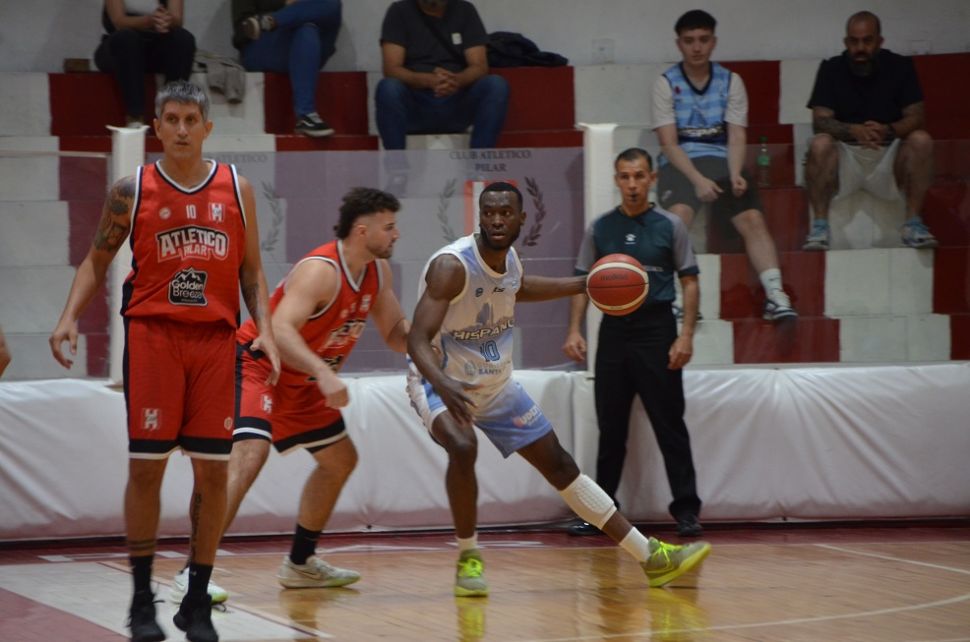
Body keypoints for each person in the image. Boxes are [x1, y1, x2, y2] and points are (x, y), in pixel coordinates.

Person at [49, 80, 281, 642]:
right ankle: (140, 601)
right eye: (171, 119)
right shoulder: (133, 189)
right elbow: (96, 259)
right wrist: (68, 316)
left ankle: (196, 600)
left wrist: (268, 332)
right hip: (154, 338)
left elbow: (251, 269)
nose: (180, 129)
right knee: (147, 468)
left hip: (215, 341)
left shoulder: (237, 188)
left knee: (213, 472)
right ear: (157, 127)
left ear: (207, 127)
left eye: (190, 120)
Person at [407, 181, 711, 597]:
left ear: (521, 219)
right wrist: (443, 383)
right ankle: (468, 557)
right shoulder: (452, 266)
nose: (496, 220)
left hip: (494, 384)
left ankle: (651, 557)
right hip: (439, 380)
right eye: (489, 212)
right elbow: (416, 339)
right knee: (462, 447)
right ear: (480, 216)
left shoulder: (509, 260)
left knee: (561, 466)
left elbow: (519, 287)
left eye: (505, 213)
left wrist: (584, 284)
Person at [168, 187, 409, 603]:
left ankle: (300, 564)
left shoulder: (378, 273)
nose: (396, 234)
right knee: (250, 454)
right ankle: (193, 572)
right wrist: (323, 371)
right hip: (259, 364)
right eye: (388, 227)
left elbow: (395, 334)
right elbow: (279, 329)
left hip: (301, 381)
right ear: (361, 230)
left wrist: (438, 335)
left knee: (340, 460)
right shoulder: (321, 271)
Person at [563, 148, 704, 539]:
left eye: (639, 176)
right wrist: (574, 330)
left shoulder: (670, 226)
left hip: (658, 330)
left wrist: (685, 336)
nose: (632, 184)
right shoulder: (600, 228)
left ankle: (687, 511)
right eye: (625, 176)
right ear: (616, 180)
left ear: (652, 179)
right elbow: (581, 282)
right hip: (614, 332)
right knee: (610, 427)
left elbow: (690, 282)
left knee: (669, 424)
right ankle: (601, 513)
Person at [653, 9, 796, 322]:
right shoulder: (666, 83)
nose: (697, 47)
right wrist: (697, 180)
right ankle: (677, 299)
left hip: (722, 161)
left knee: (753, 218)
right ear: (679, 44)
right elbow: (669, 143)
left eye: (703, 39)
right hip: (682, 164)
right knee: (677, 218)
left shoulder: (731, 81)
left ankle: (775, 296)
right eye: (689, 40)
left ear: (713, 42)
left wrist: (734, 174)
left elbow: (736, 135)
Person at [802, 11, 937, 250]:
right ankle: (820, 227)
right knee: (820, 143)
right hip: (846, 157)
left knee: (922, 140)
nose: (860, 48)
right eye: (854, 41)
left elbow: (917, 117)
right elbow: (820, 121)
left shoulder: (901, 66)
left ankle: (913, 224)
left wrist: (889, 130)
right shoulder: (831, 68)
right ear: (846, 42)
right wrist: (852, 131)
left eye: (867, 40)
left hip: (889, 155)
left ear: (880, 41)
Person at [375, 0, 510, 150]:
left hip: (457, 101)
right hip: (415, 104)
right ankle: (396, 164)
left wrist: (456, 81)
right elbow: (391, 69)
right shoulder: (399, 11)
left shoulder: (465, 10)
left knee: (496, 85)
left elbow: (479, 66)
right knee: (388, 88)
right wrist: (428, 80)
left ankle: (480, 162)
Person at [231, 0, 343, 137]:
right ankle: (306, 115)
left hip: (310, 48)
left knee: (331, 4)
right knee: (306, 29)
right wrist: (286, 5)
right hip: (265, 49)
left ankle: (270, 21)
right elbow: (243, 30)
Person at [94, 0, 196, 126]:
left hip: (153, 43)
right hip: (119, 48)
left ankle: (172, 111)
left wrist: (167, 20)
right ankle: (135, 116)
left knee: (184, 39)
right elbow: (119, 22)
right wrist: (149, 21)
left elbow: (177, 19)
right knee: (127, 39)